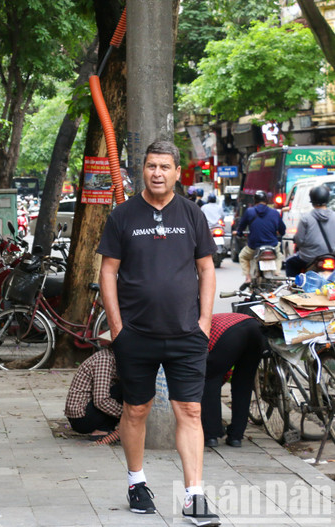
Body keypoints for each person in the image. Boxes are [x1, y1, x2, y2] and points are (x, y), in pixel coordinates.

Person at [98, 140, 219, 525]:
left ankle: (194, 495)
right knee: (136, 409)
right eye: (151, 166)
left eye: (164, 167)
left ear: (176, 172)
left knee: (191, 409)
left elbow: (206, 270)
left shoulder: (192, 214)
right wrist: (117, 327)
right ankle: (137, 482)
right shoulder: (123, 216)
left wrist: (204, 321)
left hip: (186, 333)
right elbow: (108, 271)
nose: (157, 173)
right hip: (136, 333)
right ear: (142, 169)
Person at [202, 313, 265, 448]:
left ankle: (210, 435)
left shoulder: (201, 331)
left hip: (230, 334)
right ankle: (236, 437)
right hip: (256, 330)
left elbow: (213, 373)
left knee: (210, 380)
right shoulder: (212, 320)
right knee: (244, 384)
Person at [64, 348, 122, 440]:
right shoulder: (105, 360)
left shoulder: (115, 358)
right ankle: (102, 429)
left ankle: (103, 428)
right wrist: (126, 414)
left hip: (86, 414)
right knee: (123, 388)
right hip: (81, 419)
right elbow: (101, 400)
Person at [235, 190, 285, 288]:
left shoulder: (249, 211)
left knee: (243, 256)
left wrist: (239, 233)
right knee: (279, 256)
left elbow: (241, 227)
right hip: (272, 246)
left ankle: (248, 278)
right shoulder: (275, 213)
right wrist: (279, 233)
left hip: (254, 246)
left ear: (254, 200)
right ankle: (277, 275)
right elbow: (282, 230)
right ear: (266, 200)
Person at [285, 185, 335, 278]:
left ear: (312, 200)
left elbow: (299, 241)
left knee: (290, 262)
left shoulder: (306, 218)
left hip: (309, 258)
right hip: (332, 256)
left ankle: (294, 288)